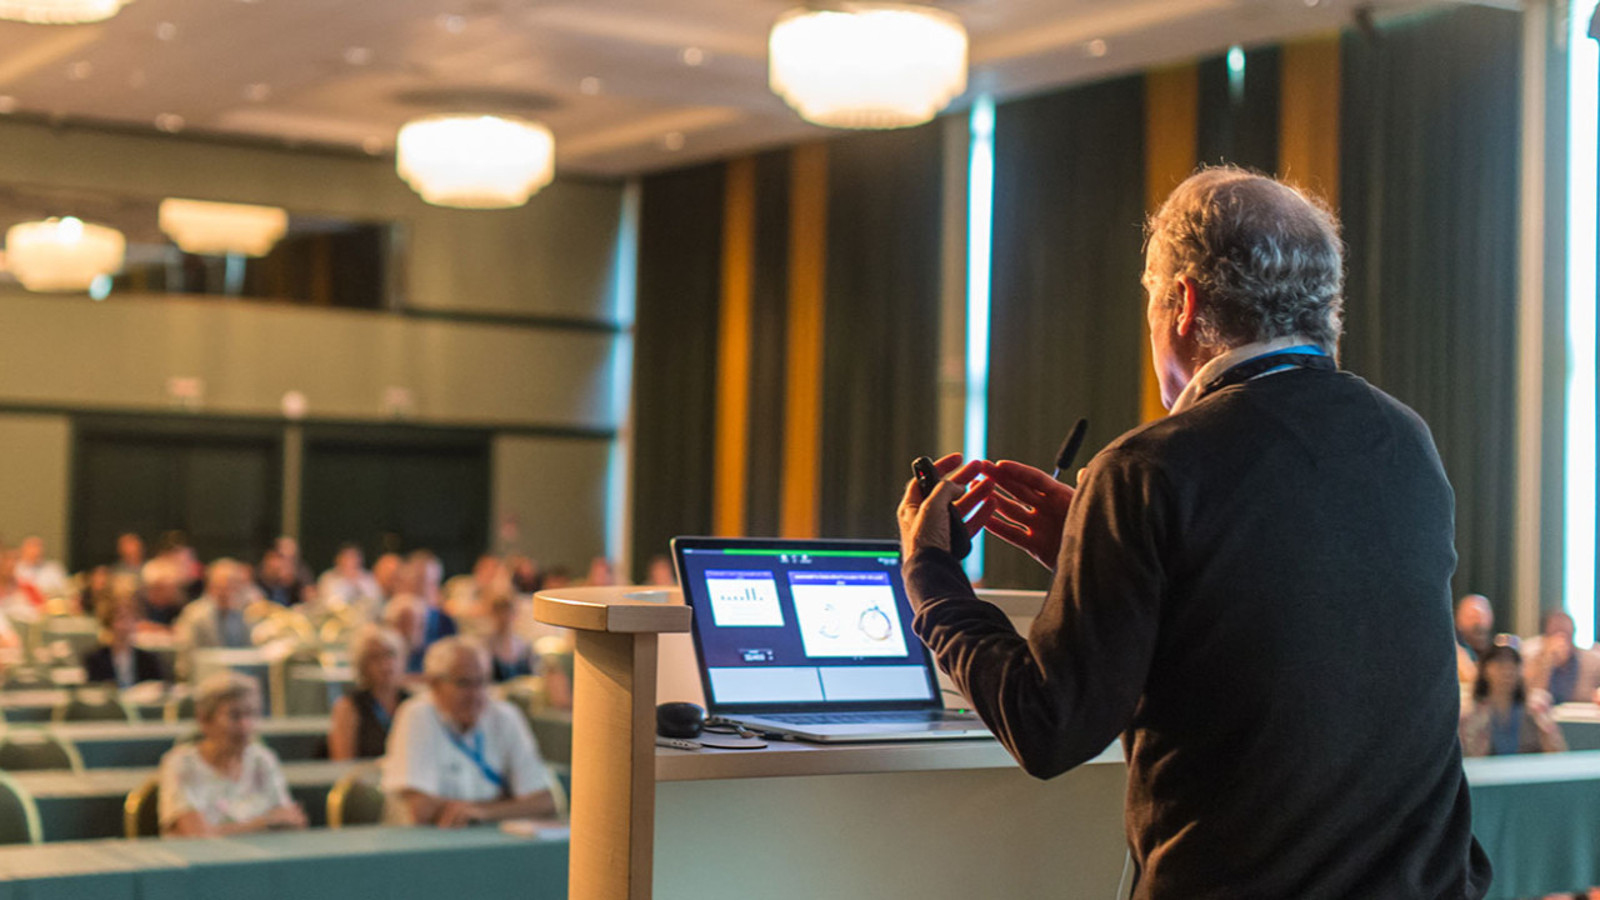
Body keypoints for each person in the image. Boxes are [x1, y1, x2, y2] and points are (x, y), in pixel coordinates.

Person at [896, 168, 1489, 897]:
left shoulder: (1148, 467)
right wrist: (1096, 552)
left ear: (1183, 303)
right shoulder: (1405, 439)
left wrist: (932, 578)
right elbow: (1275, 621)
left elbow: (1048, 727)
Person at [382, 637, 556, 827]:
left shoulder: (506, 716)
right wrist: (508, 803)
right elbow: (421, 810)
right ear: (435, 685)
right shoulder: (416, 715)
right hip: (424, 840)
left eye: (482, 682)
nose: (475, 694)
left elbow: (544, 802)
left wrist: (483, 812)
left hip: (490, 837)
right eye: (463, 683)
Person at [158, 671, 307, 836]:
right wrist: (264, 822)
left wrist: (225, 829)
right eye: (234, 716)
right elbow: (197, 835)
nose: (245, 725)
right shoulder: (181, 764)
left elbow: (291, 821)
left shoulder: (263, 760)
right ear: (204, 720)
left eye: (251, 714)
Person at [1460, 644, 1568, 756]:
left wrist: (1546, 733)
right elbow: (1467, 756)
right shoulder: (1471, 714)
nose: (1507, 672)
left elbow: (1557, 752)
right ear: (1485, 669)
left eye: (1512, 665)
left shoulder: (1535, 709)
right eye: (1500, 665)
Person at [329, 625, 410, 760]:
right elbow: (342, 763)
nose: (385, 665)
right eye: (375, 658)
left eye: (390, 654)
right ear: (362, 665)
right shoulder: (348, 707)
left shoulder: (412, 703)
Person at [173, 559, 253, 679]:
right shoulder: (194, 615)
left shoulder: (247, 614)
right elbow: (185, 661)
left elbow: (253, 654)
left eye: (233, 586)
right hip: (204, 681)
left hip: (241, 680)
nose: (227, 592)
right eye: (221, 587)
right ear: (210, 587)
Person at [83, 590, 166, 687]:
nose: (125, 625)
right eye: (120, 618)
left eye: (130, 618)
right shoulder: (95, 659)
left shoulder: (148, 660)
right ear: (109, 622)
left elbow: (159, 688)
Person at [1522, 610, 1600, 705]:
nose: (1561, 640)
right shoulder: (1529, 655)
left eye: (1566, 634)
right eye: (1555, 633)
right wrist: (1546, 663)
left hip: (1579, 712)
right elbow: (1529, 697)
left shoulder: (1592, 662)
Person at [317, 544, 382, 621]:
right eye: (347, 557)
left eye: (354, 557)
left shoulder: (369, 579)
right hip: (336, 620)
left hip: (364, 620)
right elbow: (328, 602)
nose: (351, 561)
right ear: (339, 559)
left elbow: (375, 601)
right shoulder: (329, 578)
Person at [484, 595, 533, 682]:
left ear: (515, 615)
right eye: (500, 613)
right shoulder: (486, 646)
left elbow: (531, 677)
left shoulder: (525, 646)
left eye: (508, 613)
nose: (504, 618)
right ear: (493, 615)